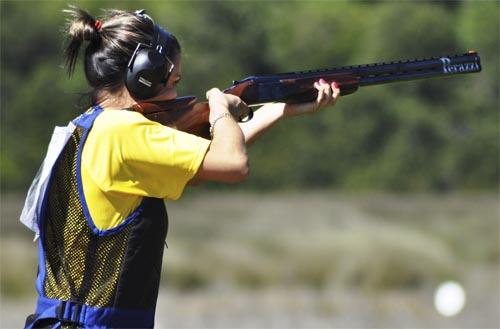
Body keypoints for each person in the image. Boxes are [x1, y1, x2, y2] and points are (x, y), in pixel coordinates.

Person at [22, 6, 340, 329]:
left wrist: (279, 110)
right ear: (143, 77)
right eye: (173, 81)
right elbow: (233, 162)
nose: (176, 93)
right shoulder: (123, 131)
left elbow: (208, 161)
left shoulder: (88, 129)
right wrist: (219, 107)